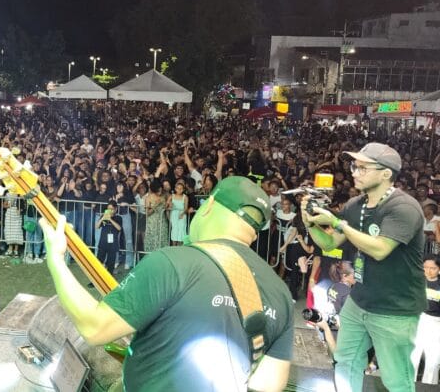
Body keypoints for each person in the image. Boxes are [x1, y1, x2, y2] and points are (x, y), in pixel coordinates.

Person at [40, 176, 293, 391]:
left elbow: (94, 327)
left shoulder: (171, 263)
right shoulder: (281, 292)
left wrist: (56, 260)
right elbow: (268, 384)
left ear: (209, 205)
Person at [302, 142, 425, 392]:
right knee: (345, 362)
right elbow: (328, 244)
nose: (355, 172)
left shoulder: (404, 208)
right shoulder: (356, 205)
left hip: (395, 310)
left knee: (395, 379)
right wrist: (310, 222)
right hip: (359, 301)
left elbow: (380, 249)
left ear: (386, 173)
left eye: (362, 168)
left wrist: (337, 222)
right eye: (354, 166)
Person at [410, 254, 440, 385]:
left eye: (432, 268)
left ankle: (429, 387)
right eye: (425, 267)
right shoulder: (417, 280)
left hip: (436, 324)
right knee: (413, 358)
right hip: (418, 320)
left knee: (433, 362)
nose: (428, 271)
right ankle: (409, 386)